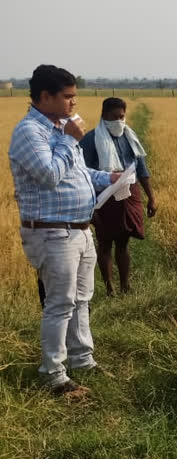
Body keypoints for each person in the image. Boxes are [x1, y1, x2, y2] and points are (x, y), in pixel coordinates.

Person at [8, 65, 119, 396]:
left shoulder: (60, 130)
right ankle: (53, 373)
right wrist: (71, 140)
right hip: (52, 233)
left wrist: (110, 179)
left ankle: (82, 359)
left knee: (82, 299)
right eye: (68, 96)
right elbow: (49, 175)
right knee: (60, 302)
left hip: (80, 230)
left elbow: (81, 174)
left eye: (75, 96)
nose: (74, 103)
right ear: (45, 97)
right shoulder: (31, 132)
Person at [80, 98, 157, 296]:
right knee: (104, 242)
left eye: (122, 117)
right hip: (104, 197)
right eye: (115, 117)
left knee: (123, 242)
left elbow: (141, 169)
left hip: (128, 194)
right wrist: (90, 207)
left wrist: (151, 197)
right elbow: (82, 174)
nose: (119, 122)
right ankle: (109, 288)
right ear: (104, 116)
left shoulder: (130, 137)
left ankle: (125, 285)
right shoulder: (90, 140)